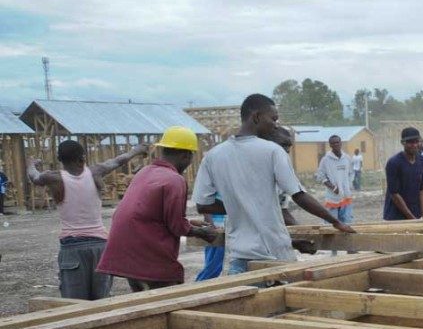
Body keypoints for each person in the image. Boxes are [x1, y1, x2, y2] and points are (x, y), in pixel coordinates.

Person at [194, 94, 355, 275]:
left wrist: (238, 206)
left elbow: (203, 204)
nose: (275, 125)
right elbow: (299, 195)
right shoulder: (273, 151)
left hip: (239, 257)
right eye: (273, 119)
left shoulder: (213, 156)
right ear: (256, 117)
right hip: (275, 255)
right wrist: (335, 222)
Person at [97, 127, 218, 292]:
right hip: (146, 255)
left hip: (125, 253)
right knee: (168, 299)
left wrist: (192, 226)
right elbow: (176, 225)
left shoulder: (145, 172)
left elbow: (153, 216)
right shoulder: (174, 180)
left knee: (143, 303)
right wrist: (202, 233)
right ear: (186, 155)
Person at [27, 140, 148, 299]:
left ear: (60, 159)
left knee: (74, 305)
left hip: (72, 249)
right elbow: (119, 160)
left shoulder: (54, 178)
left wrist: (31, 164)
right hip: (100, 247)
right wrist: (137, 150)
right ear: (82, 158)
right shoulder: (95, 172)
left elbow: (34, 177)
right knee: (101, 303)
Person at [384, 127, 423, 220]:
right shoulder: (394, 163)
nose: (415, 145)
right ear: (403, 142)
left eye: (417, 141)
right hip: (396, 216)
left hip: (415, 213)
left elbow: (422, 190)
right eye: (411, 142)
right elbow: (394, 194)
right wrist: (411, 218)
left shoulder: (422, 161)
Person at [315, 134, 355, 226]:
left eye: (337, 142)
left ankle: (345, 241)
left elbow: (351, 173)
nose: (336, 144)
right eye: (333, 143)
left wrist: (348, 185)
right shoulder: (325, 160)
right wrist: (333, 187)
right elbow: (320, 176)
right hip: (333, 196)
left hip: (346, 195)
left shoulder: (347, 158)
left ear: (341, 143)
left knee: (347, 222)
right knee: (332, 224)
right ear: (330, 145)